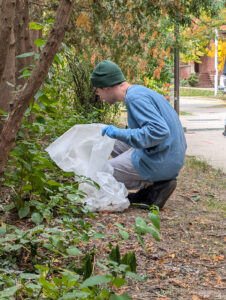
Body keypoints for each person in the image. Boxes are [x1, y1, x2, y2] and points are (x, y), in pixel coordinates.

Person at [91, 60, 187, 209]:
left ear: (107, 87)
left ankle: (155, 184)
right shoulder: (138, 92)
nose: (98, 95)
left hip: (160, 160)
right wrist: (116, 134)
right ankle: (153, 189)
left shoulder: (134, 98)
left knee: (100, 173)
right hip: (167, 155)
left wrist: (118, 132)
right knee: (105, 139)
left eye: (98, 90)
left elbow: (159, 131)